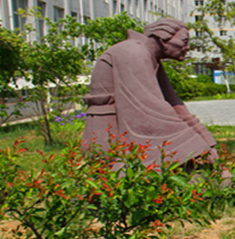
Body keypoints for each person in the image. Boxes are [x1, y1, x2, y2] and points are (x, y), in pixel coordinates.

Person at [82, 18, 218, 166]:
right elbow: (151, 107)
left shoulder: (150, 57)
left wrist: (206, 141)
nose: (187, 47)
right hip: (110, 132)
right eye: (184, 41)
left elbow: (174, 104)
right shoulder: (133, 52)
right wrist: (198, 147)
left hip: (120, 131)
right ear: (162, 39)